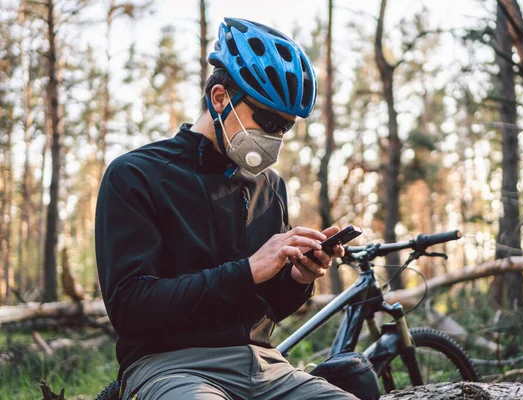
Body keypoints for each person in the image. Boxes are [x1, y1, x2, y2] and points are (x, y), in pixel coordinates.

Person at [95, 17, 358, 399]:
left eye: (284, 127)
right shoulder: (136, 175)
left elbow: (264, 309)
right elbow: (131, 309)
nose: (274, 137)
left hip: (267, 367)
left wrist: (299, 279)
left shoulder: (271, 187)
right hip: (170, 368)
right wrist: (248, 270)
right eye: (267, 120)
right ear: (220, 98)